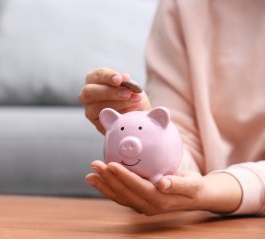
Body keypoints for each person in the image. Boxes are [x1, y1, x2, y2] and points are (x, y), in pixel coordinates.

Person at [79, 0, 265, 216]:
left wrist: (216, 190)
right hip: (200, 221)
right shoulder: (183, 5)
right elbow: (185, 163)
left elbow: (203, 190)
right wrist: (154, 139)